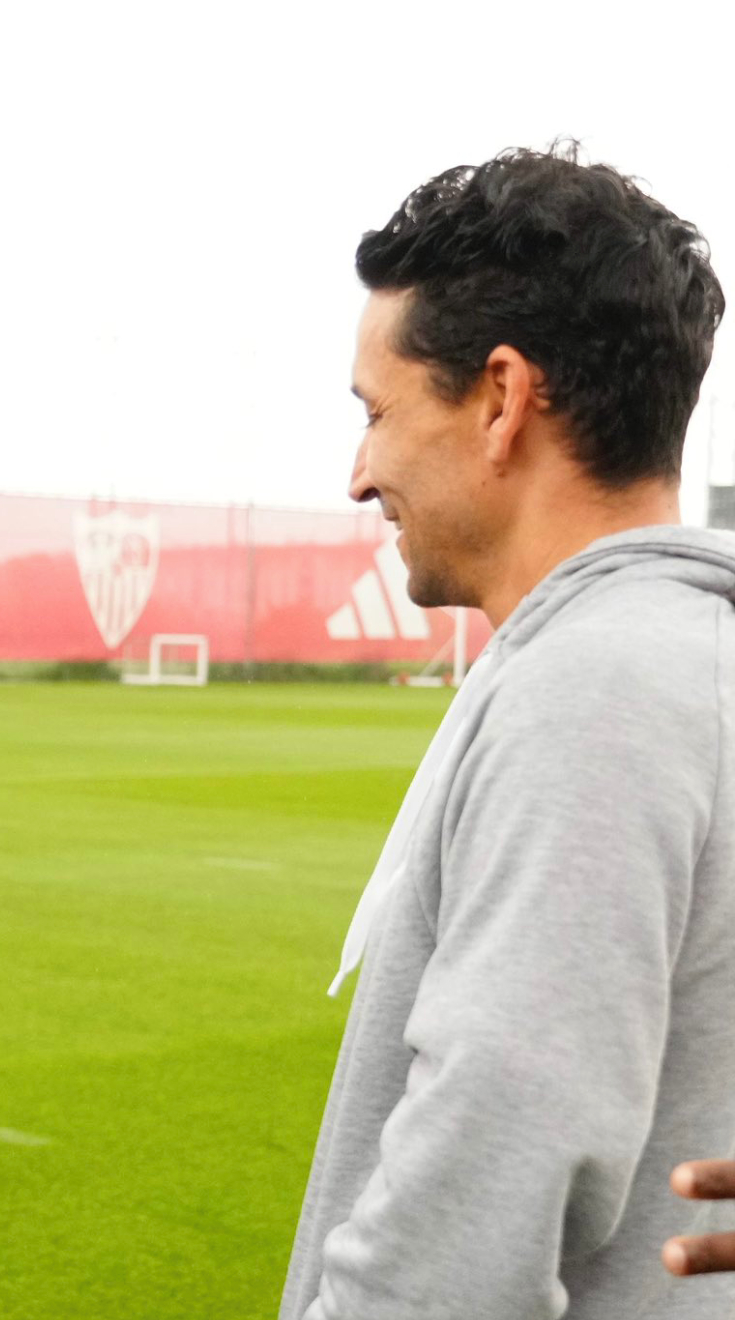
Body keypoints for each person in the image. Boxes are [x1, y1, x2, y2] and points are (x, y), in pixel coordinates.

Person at [280, 144, 735, 1319]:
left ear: (500, 397)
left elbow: (476, 1205)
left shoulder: (598, 689)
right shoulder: (693, 656)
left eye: (377, 413)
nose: (358, 473)